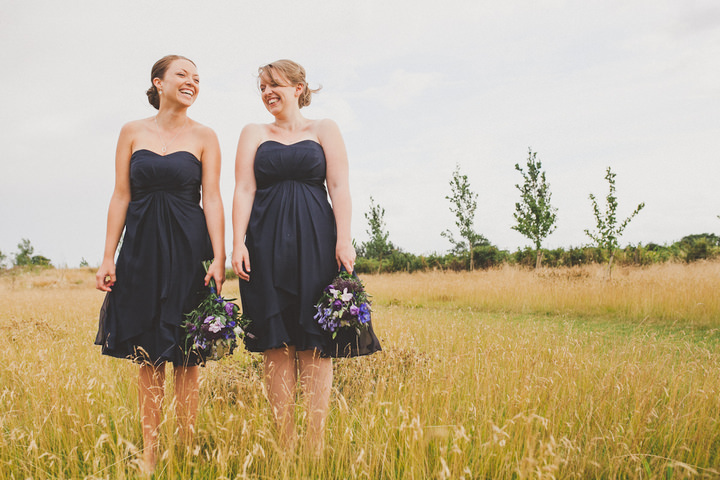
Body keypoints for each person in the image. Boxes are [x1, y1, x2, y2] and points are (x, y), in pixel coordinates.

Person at [94, 54, 225, 473]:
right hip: (141, 253)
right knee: (148, 357)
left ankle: (183, 454)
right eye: (183, 75)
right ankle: (150, 455)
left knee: (187, 357)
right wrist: (107, 256)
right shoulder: (131, 131)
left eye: (197, 78)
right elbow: (120, 195)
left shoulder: (206, 136)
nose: (192, 82)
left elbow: (213, 198)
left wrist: (219, 256)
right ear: (159, 82)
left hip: (189, 251)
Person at [231, 59, 357, 453]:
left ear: (300, 87)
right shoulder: (253, 132)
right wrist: (238, 242)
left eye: (276, 85)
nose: (268, 93)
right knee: (275, 340)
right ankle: (284, 443)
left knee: (315, 340)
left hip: (317, 240)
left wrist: (344, 239)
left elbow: (338, 185)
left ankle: (314, 445)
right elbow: (244, 189)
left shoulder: (324, 129)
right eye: (263, 87)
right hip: (264, 243)